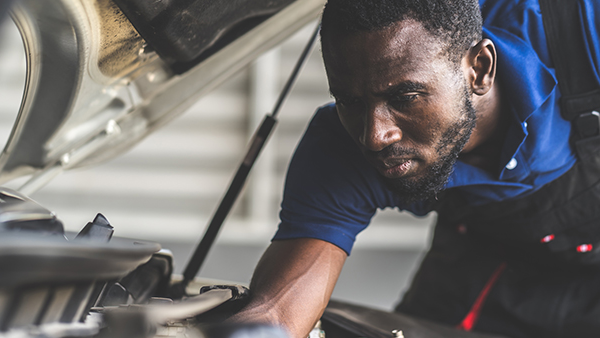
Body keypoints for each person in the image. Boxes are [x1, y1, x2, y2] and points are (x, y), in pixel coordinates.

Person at [232, 0, 600, 337]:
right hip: (477, 272)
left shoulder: (585, 31)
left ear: (480, 69)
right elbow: (276, 314)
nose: (375, 136)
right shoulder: (342, 150)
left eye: (405, 97)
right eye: (350, 101)